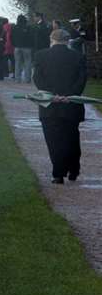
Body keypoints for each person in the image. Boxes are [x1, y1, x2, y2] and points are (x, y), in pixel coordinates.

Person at [33, 29, 89, 184]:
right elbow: (81, 79)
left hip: (49, 104)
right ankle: (73, 169)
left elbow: (37, 78)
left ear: (52, 40)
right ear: (68, 40)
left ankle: (58, 173)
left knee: (53, 139)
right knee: (71, 137)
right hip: (71, 103)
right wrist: (69, 95)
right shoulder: (78, 57)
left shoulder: (40, 55)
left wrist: (51, 94)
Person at [13, 14, 35, 84]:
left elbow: (11, 37)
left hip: (17, 47)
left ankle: (17, 79)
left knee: (17, 64)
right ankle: (27, 79)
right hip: (27, 47)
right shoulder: (28, 27)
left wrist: (15, 44)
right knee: (27, 63)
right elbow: (32, 37)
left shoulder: (15, 27)